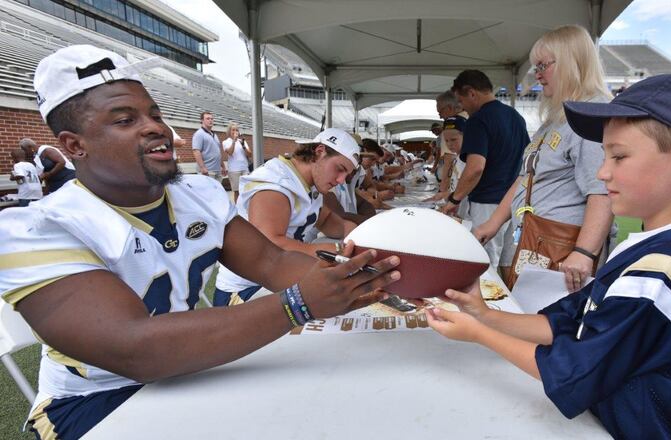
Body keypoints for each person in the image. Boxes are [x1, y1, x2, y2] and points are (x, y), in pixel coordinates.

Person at [0, 45, 399, 440]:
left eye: (154, 114)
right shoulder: (35, 228)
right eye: (125, 120)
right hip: (96, 401)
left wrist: (371, 278)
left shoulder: (198, 193)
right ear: (74, 146)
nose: (157, 127)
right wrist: (299, 303)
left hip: (191, 372)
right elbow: (135, 350)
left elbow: (273, 262)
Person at [427, 72, 671, 439]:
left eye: (619, 156)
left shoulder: (665, 276)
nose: (602, 172)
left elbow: (572, 371)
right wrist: (482, 314)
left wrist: (480, 334)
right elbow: (566, 323)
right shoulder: (652, 251)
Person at [473, 25, 615, 291]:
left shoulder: (592, 116)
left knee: (549, 326)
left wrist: (584, 252)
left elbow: (603, 192)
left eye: (542, 66)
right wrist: (491, 225)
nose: (537, 75)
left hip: (562, 252)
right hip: (535, 243)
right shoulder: (559, 118)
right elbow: (526, 178)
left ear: (570, 63)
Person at [213, 128, 362, 306]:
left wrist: (356, 238)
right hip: (245, 291)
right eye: (340, 169)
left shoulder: (305, 181)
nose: (341, 180)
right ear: (320, 152)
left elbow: (328, 220)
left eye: (347, 175)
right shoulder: (276, 184)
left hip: (275, 280)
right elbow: (270, 245)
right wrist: (336, 250)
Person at [439, 70, 529, 269]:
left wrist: (454, 199)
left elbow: (475, 168)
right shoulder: (516, 117)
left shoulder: (478, 120)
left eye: (461, 102)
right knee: (508, 264)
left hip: (487, 203)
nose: (462, 107)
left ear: (472, 93)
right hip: (512, 203)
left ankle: (488, 302)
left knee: (484, 265)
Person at [424, 116, 468, 215]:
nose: (449, 144)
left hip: (465, 209)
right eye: (446, 141)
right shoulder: (458, 158)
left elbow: (466, 189)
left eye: (453, 140)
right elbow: (456, 187)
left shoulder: (467, 160)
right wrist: (444, 194)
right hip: (458, 208)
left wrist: (450, 199)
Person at [192, 111, 227, 181]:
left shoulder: (215, 135)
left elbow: (218, 152)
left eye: (212, 119)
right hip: (207, 172)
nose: (210, 120)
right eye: (208, 119)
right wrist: (202, 168)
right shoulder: (199, 134)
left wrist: (223, 166)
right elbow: (196, 151)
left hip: (217, 171)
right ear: (202, 120)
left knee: (217, 192)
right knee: (207, 192)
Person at [223, 122, 252, 202]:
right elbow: (230, 152)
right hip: (234, 170)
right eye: (233, 130)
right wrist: (234, 141)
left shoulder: (242, 141)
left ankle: (245, 208)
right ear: (229, 131)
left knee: (246, 190)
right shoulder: (226, 142)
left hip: (244, 168)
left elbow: (249, 154)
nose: (235, 131)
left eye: (236, 130)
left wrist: (243, 145)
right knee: (237, 191)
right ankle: (238, 210)